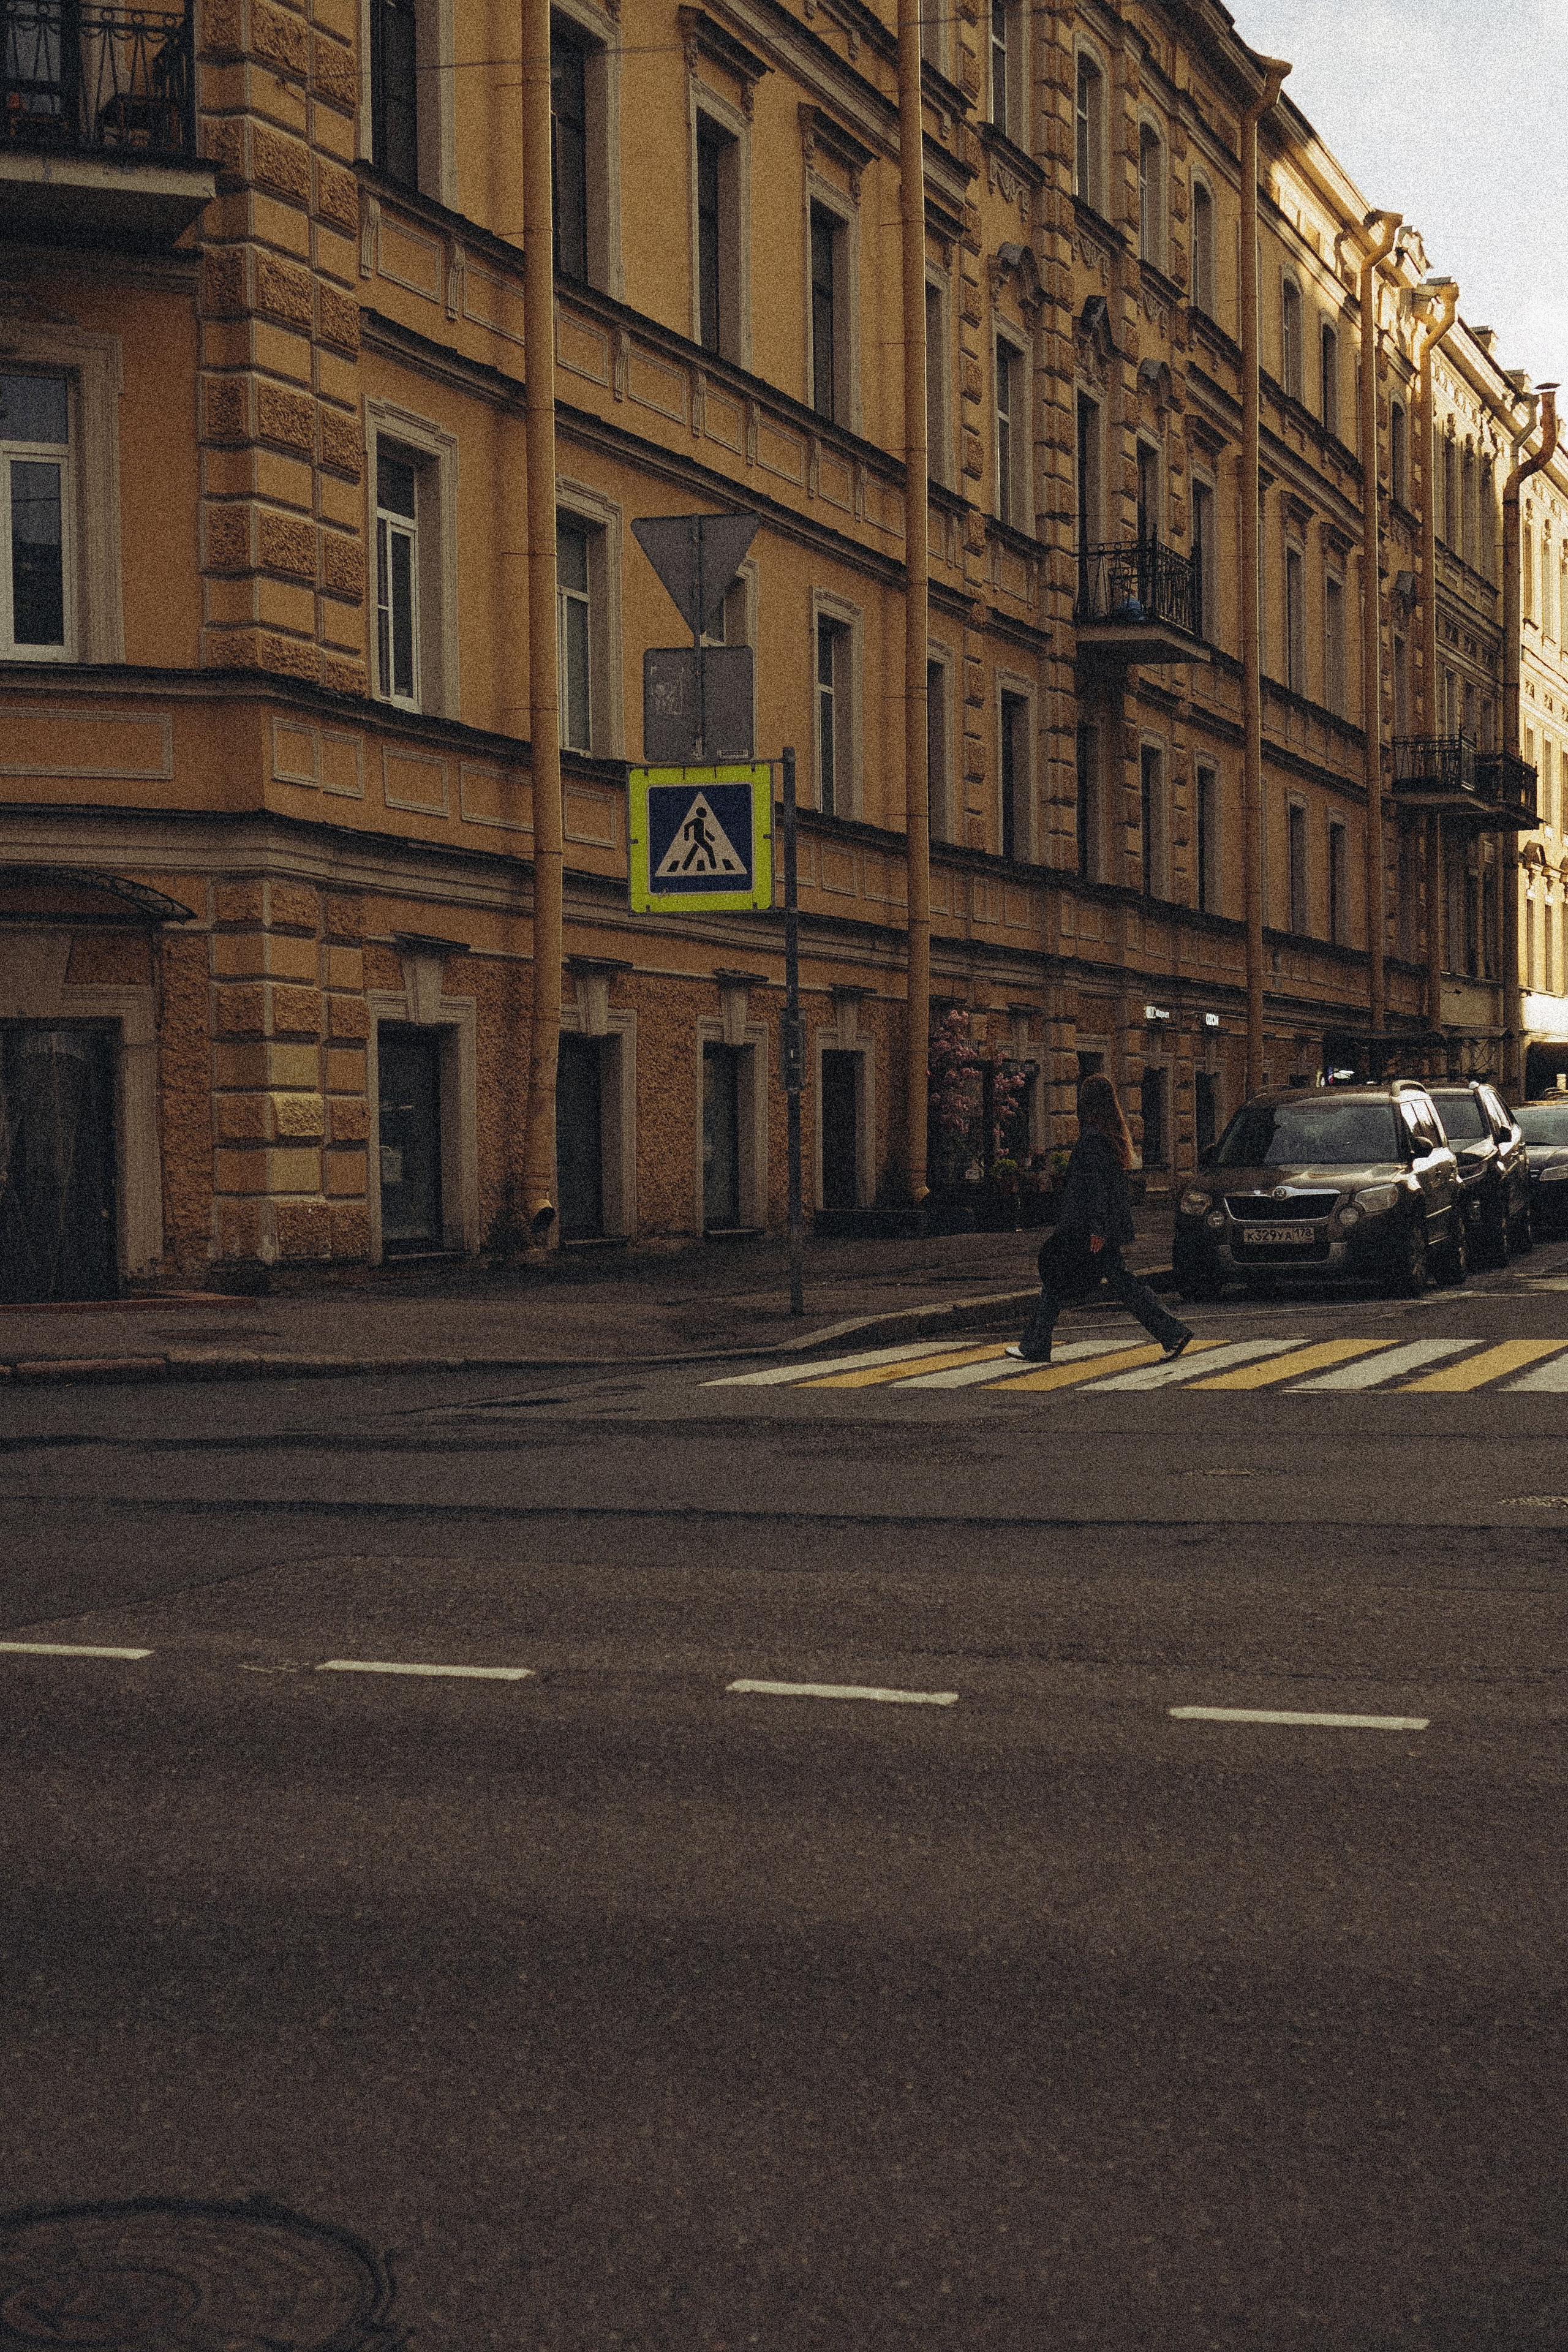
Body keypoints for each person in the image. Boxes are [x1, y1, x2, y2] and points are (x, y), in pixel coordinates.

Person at [1006, 1073, 1193, 1365]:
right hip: (1096, 1226)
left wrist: (1097, 1230)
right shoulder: (1108, 1137)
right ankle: (1172, 1333)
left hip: (1087, 1228)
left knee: (1059, 1278)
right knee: (1097, 1281)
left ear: (1088, 1104)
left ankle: (1035, 1346)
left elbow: (1095, 1189)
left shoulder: (1092, 1139)